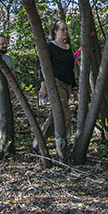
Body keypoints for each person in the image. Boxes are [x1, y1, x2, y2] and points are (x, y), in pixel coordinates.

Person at [37, 21, 75, 150]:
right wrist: (43, 86)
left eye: (66, 29)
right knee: (65, 113)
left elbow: (71, 68)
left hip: (67, 84)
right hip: (56, 83)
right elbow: (44, 67)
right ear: (55, 31)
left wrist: (74, 88)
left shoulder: (68, 47)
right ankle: (66, 143)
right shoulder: (50, 47)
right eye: (62, 29)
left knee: (55, 116)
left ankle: (38, 144)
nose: (65, 32)